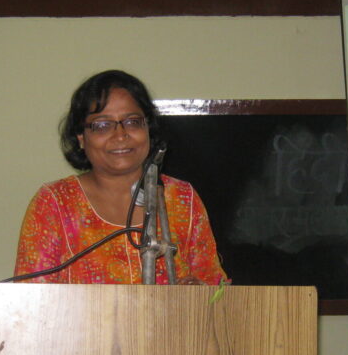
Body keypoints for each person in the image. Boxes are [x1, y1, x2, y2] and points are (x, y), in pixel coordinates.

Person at [13, 70, 228, 285]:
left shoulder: (182, 198)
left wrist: (199, 292)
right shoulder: (55, 202)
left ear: (148, 128)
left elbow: (216, 288)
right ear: (81, 137)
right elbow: (31, 297)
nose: (121, 135)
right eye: (102, 125)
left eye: (132, 122)